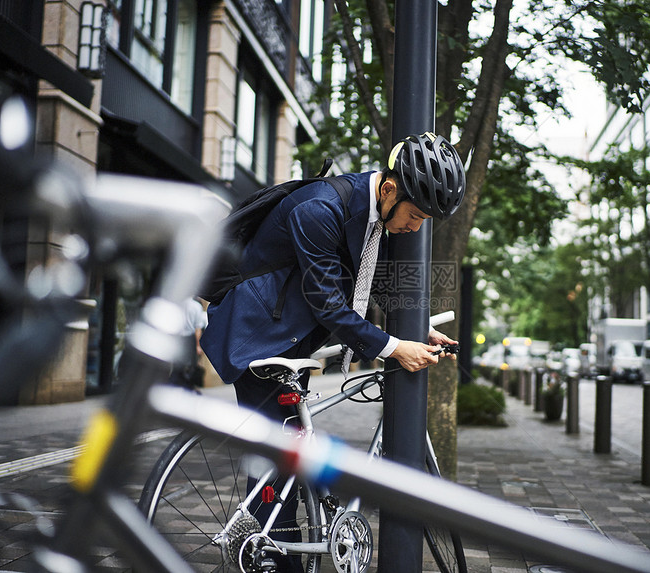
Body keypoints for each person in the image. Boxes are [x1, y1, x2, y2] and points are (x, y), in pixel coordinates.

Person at [200, 132, 466, 571]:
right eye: (415, 215)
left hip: (289, 340)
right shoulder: (320, 209)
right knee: (277, 454)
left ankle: (289, 542)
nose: (415, 227)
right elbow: (328, 301)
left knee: (288, 446)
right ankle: (269, 554)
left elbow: (372, 282)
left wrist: (417, 331)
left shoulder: (368, 218)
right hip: (256, 338)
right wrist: (393, 347)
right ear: (388, 190)